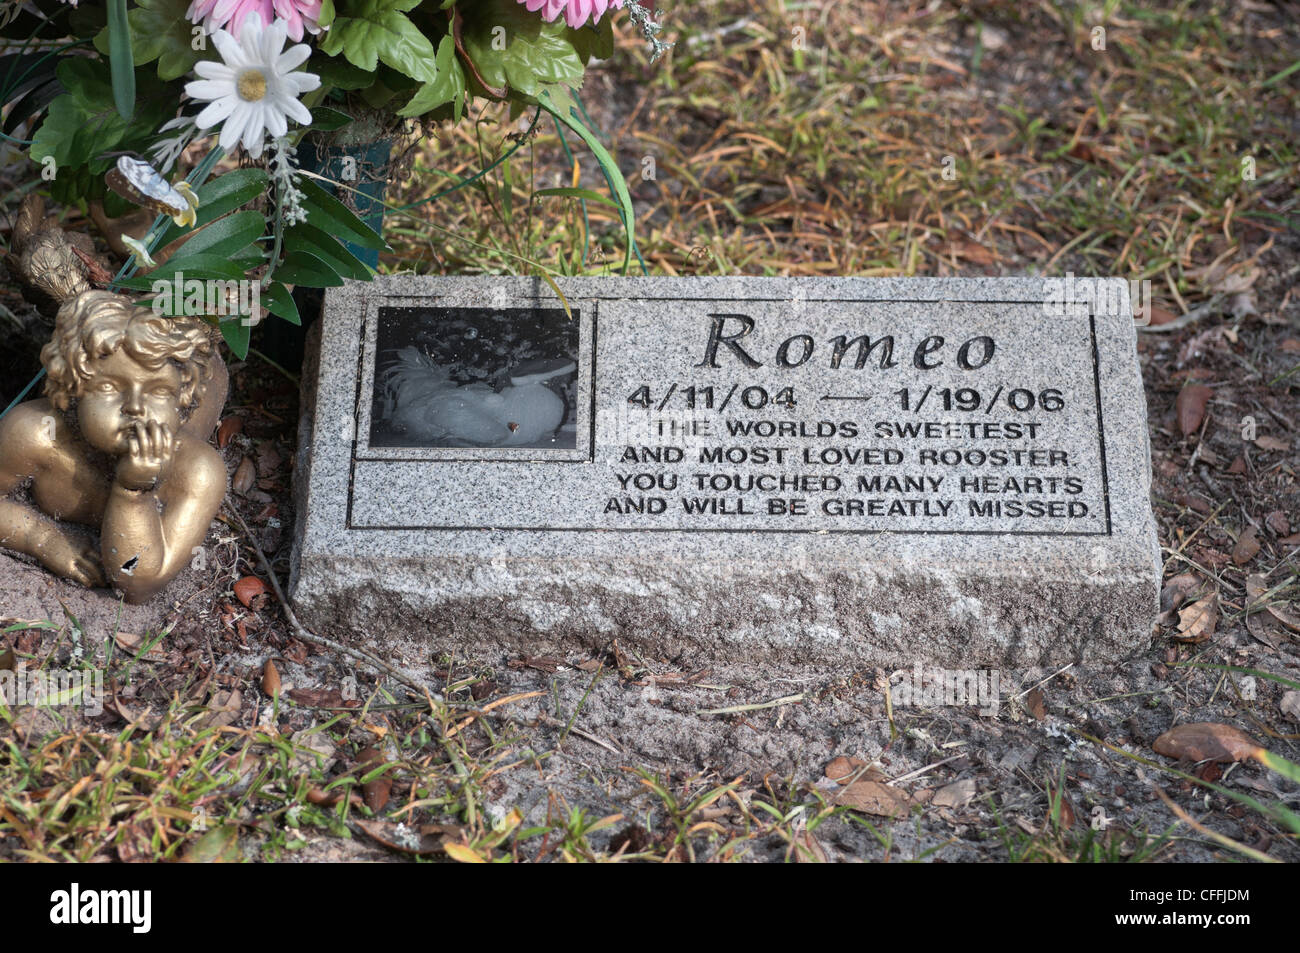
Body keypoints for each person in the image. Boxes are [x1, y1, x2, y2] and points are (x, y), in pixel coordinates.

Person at [0, 290, 227, 603]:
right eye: (108, 387)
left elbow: (136, 584)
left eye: (159, 391)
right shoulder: (35, 435)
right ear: (73, 389)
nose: (135, 407)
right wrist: (41, 537)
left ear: (183, 400)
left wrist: (132, 494)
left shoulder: (196, 473)